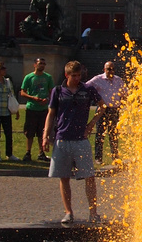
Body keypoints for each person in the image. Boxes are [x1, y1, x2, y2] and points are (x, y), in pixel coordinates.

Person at [42, 60, 105, 225]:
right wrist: (45, 135)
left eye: (79, 75)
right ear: (66, 75)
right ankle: (69, 212)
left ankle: (93, 212)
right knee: (64, 177)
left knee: (89, 176)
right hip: (62, 138)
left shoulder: (87, 90)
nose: (77, 79)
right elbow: (51, 114)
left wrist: (91, 124)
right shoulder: (58, 91)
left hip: (81, 139)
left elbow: (102, 106)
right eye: (74, 76)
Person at [86, 61, 126, 163]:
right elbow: (86, 87)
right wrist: (94, 98)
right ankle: (98, 158)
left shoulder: (118, 80)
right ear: (104, 70)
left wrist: (122, 103)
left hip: (114, 109)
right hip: (102, 109)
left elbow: (125, 92)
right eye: (108, 69)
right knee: (100, 134)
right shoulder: (98, 79)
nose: (111, 71)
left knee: (113, 134)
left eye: (112, 69)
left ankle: (115, 156)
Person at [21, 56, 53, 163]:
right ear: (35, 64)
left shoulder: (48, 77)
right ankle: (28, 152)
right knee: (30, 132)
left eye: (44, 64)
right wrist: (33, 98)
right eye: (40, 64)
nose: (42, 66)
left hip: (43, 109)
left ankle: (41, 152)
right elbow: (22, 92)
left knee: (41, 132)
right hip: (32, 108)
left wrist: (47, 99)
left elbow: (51, 91)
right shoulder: (29, 77)